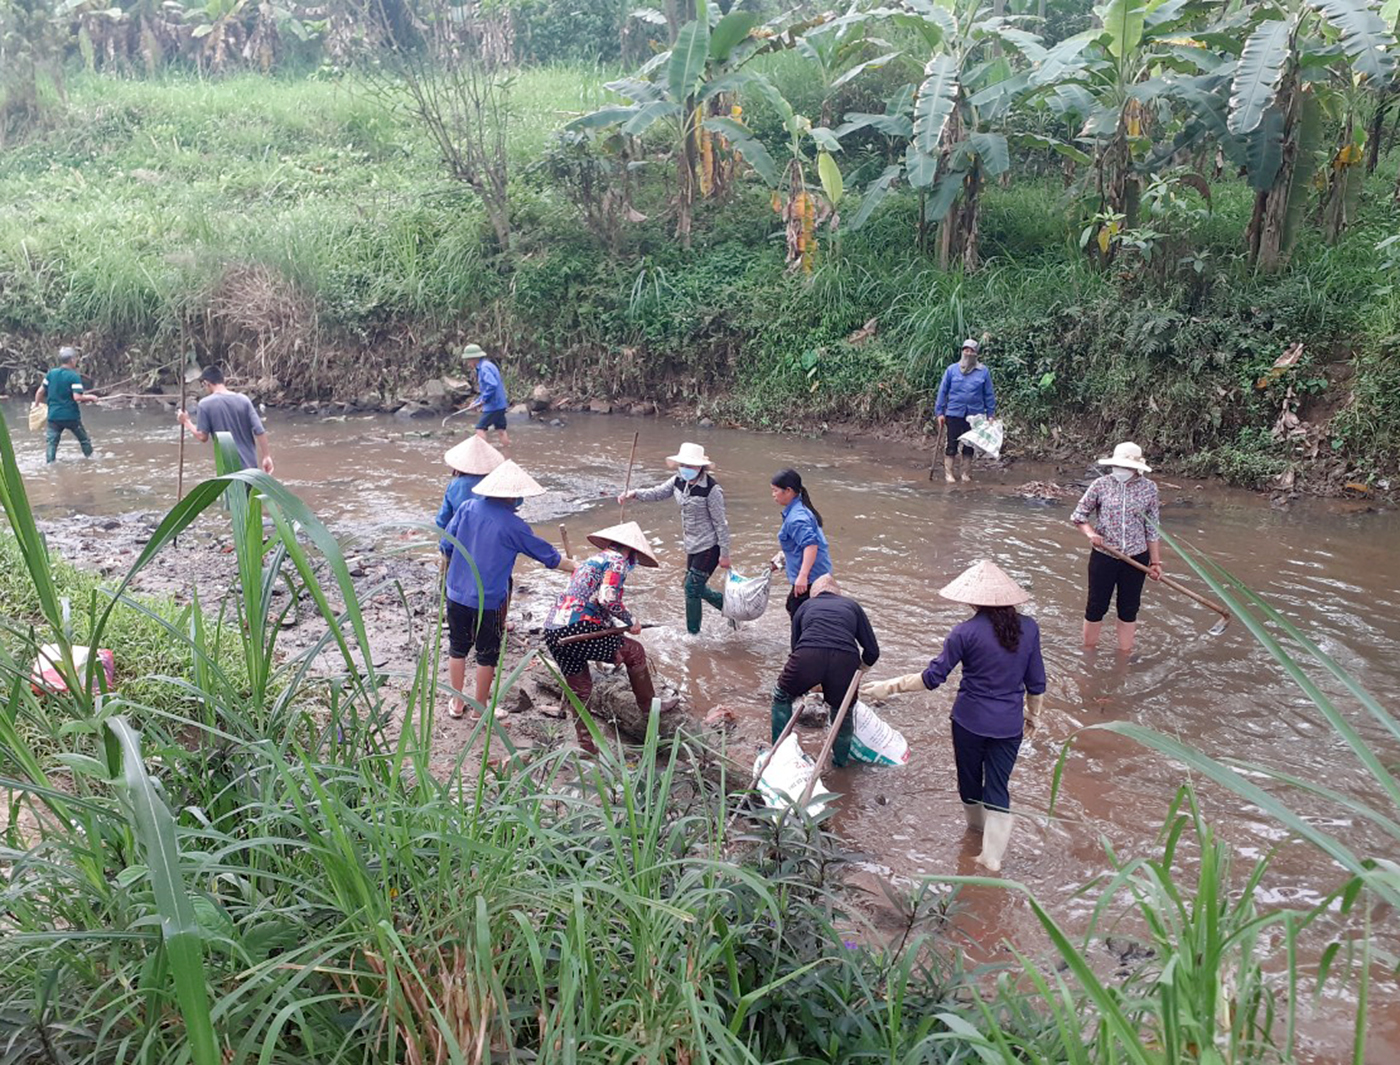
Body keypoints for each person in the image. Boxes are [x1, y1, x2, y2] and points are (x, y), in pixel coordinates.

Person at [864, 560, 1045, 873]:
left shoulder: (964, 632)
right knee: (999, 787)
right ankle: (992, 858)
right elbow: (1037, 680)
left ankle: (975, 832)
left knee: (969, 781)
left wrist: (888, 687)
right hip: (1008, 725)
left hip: (969, 722)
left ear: (973, 599)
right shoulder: (1029, 628)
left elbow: (933, 678)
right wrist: (1034, 714)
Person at [440, 460, 576, 720]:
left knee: (457, 647)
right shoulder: (514, 526)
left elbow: (446, 544)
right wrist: (578, 567)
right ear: (513, 496)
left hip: (455, 593)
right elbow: (549, 557)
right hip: (489, 601)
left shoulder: (468, 508)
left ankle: (457, 704)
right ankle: (479, 711)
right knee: (486, 654)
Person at [543, 520, 674, 754]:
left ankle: (586, 744)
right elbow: (607, 599)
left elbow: (591, 602)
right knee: (634, 651)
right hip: (578, 629)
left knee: (580, 688)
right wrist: (630, 620)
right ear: (631, 552)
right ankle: (649, 707)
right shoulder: (617, 561)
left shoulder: (591, 561)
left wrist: (613, 622)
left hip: (554, 629)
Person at [619, 441, 732, 635]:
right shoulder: (678, 481)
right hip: (691, 544)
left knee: (691, 588)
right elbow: (658, 492)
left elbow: (721, 523)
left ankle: (693, 634)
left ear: (700, 467)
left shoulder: (712, 490)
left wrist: (725, 553)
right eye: (684, 465)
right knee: (692, 586)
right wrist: (634, 494)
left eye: (690, 465)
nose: (686, 469)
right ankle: (731, 609)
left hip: (709, 546)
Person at [769, 575, 879, 769]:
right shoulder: (852, 606)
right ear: (839, 593)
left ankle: (779, 753)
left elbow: (795, 648)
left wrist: (806, 682)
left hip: (808, 655)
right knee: (842, 712)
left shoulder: (805, 606)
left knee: (782, 696)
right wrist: (862, 667)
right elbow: (872, 651)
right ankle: (840, 764)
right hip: (845, 659)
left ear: (814, 593)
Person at [1069, 441, 1162, 654]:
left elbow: (1153, 529)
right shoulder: (1100, 485)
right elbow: (1079, 516)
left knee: (1129, 609)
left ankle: (1124, 655)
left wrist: (1155, 562)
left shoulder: (1149, 489)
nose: (1120, 471)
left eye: (1126, 467)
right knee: (1096, 606)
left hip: (1136, 557)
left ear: (1136, 468)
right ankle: (1089, 652)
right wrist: (1091, 534)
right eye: (1118, 466)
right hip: (1104, 555)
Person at [177, 366, 273, 473]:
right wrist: (266, 456)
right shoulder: (244, 400)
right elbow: (259, 430)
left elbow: (202, 436)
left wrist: (186, 421)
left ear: (206, 383)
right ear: (223, 380)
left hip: (228, 470)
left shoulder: (205, 404)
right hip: (251, 469)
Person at [770, 468, 832, 620]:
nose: (773, 495)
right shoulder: (798, 509)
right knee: (793, 607)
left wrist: (802, 576)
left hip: (811, 577)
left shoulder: (797, 518)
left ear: (788, 491)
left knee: (800, 614)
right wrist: (781, 559)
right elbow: (798, 544)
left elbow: (811, 545)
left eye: (775, 490)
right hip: (819, 572)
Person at [934, 338, 996, 484]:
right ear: (962, 352)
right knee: (952, 443)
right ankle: (949, 474)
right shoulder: (951, 370)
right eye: (965, 350)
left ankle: (966, 474)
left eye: (971, 351)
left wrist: (991, 415)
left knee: (969, 446)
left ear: (976, 354)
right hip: (954, 413)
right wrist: (940, 413)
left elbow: (989, 394)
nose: (968, 353)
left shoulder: (983, 372)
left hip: (975, 415)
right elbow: (943, 392)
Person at [436, 435, 505, 541]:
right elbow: (515, 502)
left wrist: (444, 538)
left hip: (462, 533)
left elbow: (444, 517)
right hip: (491, 534)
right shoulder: (495, 482)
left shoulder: (455, 485)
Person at [35, 346, 98, 463]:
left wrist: (36, 406)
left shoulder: (51, 374)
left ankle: (50, 464)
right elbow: (77, 397)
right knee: (84, 440)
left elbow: (40, 392)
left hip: (53, 416)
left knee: (52, 443)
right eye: (75, 359)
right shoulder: (74, 376)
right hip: (71, 416)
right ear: (72, 360)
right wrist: (91, 397)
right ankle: (91, 460)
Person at [463, 342, 509, 446]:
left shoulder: (484, 368)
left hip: (493, 406)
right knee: (501, 430)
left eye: (468, 360)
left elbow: (492, 385)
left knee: (480, 429)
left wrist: (481, 401)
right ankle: (507, 454)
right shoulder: (488, 365)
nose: (468, 363)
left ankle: (483, 455)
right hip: (501, 404)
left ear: (473, 359)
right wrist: (477, 402)